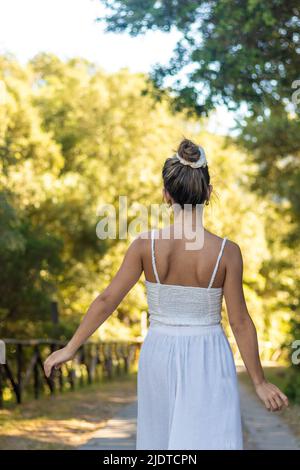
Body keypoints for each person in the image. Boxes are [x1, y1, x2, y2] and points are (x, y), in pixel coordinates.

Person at [44, 138, 289, 450]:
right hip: (209, 354)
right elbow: (240, 321)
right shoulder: (227, 253)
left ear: (165, 195)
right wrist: (259, 381)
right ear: (209, 194)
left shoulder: (145, 247)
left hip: (159, 353)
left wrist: (70, 347)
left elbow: (107, 300)